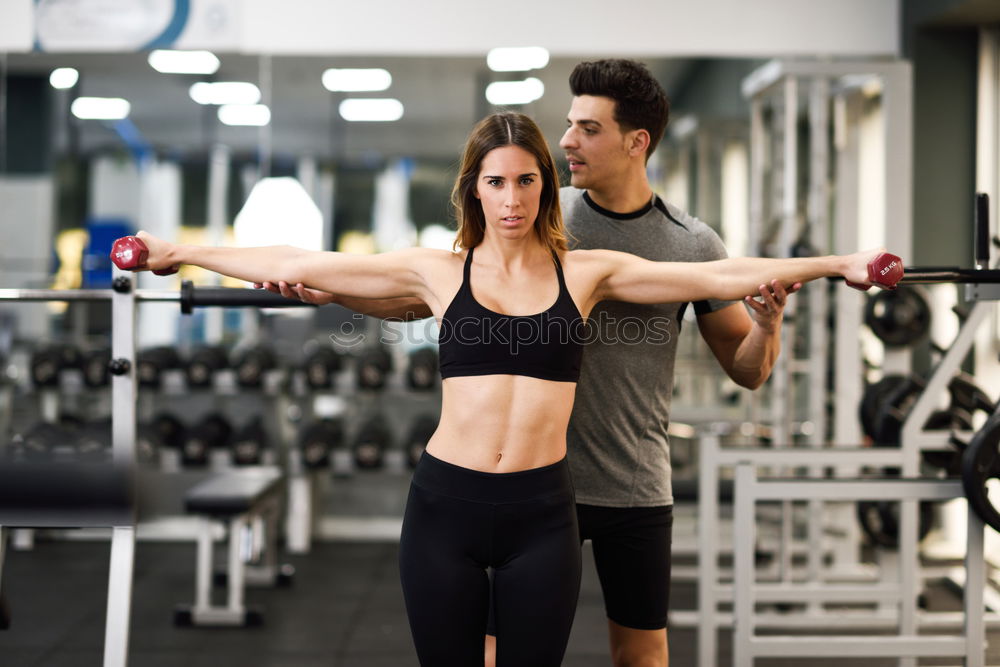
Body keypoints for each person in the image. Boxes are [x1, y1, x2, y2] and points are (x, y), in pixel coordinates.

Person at [129, 111, 890, 666]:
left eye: (528, 180)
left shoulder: (587, 272)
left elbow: (712, 274)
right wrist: (179, 251)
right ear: (476, 189)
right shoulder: (437, 269)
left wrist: (835, 264)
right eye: (497, 182)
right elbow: (304, 258)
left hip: (540, 514)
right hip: (444, 508)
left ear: (544, 188)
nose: (513, 197)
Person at [260, 59, 795, 667]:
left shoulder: (693, 245)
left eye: (588, 128)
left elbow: (748, 370)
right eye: (568, 125)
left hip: (633, 480)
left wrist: (768, 324)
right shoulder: (536, 209)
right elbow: (441, 303)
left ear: (636, 141)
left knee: (643, 656)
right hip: (534, 484)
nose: (567, 139)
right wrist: (339, 292)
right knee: (489, 652)